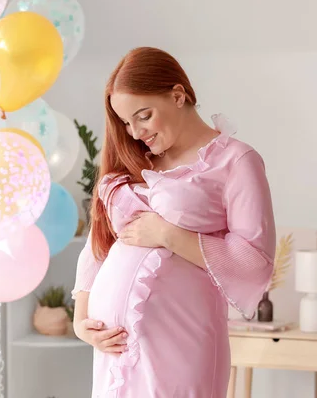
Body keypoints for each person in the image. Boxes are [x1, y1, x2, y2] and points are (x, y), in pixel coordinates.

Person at [72, 47, 276, 397]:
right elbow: (100, 243)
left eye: (144, 116)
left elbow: (254, 262)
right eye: (125, 122)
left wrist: (168, 235)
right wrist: (81, 321)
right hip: (117, 351)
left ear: (178, 95)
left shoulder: (236, 161)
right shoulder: (136, 159)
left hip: (182, 342)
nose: (135, 132)